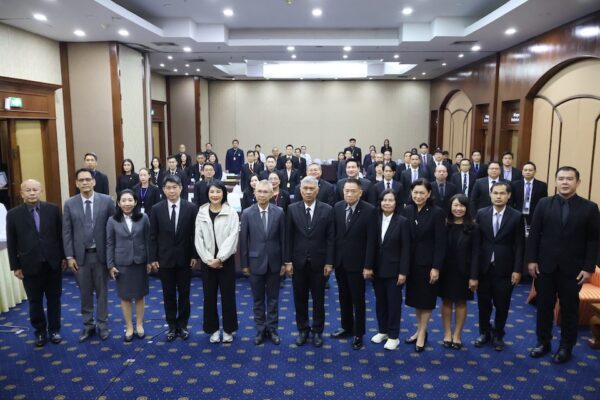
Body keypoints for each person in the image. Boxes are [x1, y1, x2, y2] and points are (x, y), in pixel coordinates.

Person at [527, 166, 600, 363]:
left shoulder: (590, 208)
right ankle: (543, 342)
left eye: (569, 179)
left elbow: (594, 241)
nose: (565, 182)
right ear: (555, 181)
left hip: (574, 270)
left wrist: (589, 268)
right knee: (544, 306)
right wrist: (531, 260)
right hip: (545, 266)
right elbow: (534, 234)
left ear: (578, 182)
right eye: (561, 178)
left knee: (569, 309)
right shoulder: (544, 204)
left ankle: (566, 346)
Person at [6, 179, 65, 347]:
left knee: (54, 299)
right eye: (28, 190)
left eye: (35, 189)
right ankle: (39, 332)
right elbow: (12, 242)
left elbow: (60, 235)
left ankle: (54, 330)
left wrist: (63, 257)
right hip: (29, 265)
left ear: (41, 191)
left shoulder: (53, 209)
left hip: (53, 263)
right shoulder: (13, 214)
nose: (32, 193)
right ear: (21, 193)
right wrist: (15, 266)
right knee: (35, 301)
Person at [63, 168, 115, 342]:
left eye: (88, 179)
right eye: (81, 180)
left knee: (102, 293)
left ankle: (103, 326)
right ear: (76, 183)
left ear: (94, 181)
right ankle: (88, 326)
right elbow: (67, 232)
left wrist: (112, 257)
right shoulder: (70, 204)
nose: (85, 182)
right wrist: (69, 256)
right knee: (85, 294)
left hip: (101, 256)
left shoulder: (107, 201)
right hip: (80, 258)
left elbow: (113, 229)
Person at [473, 182, 524, 351]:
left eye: (502, 193)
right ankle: (484, 332)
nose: (498, 196)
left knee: (502, 304)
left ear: (508, 196)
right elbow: (476, 244)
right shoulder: (481, 213)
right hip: (484, 268)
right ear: (490, 194)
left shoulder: (516, 216)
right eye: (495, 193)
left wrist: (517, 269)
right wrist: (474, 271)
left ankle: (498, 334)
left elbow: (520, 245)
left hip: (505, 268)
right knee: (483, 303)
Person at [285, 176, 334, 348]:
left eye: (311, 189)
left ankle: (318, 331)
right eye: (305, 188)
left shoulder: (327, 209)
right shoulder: (292, 209)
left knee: (319, 300)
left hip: (319, 263)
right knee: (300, 299)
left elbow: (330, 238)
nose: (308, 192)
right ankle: (303, 330)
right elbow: (288, 237)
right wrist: (288, 261)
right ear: (300, 190)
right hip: (298, 263)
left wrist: (329, 262)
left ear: (317, 190)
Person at [149, 175, 199, 342]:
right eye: (168, 188)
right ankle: (171, 325)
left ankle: (183, 325)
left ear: (181, 188)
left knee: (184, 294)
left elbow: (195, 234)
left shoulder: (191, 208)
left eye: (175, 187)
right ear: (163, 190)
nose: (172, 191)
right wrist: (153, 257)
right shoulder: (156, 209)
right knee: (168, 294)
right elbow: (153, 236)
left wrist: (194, 255)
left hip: (185, 258)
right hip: (164, 259)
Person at [330, 178, 377, 350]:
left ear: (360, 193)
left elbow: (372, 241)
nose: (349, 194)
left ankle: (359, 333)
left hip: (359, 264)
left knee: (358, 300)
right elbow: (334, 236)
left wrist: (368, 266)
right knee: (343, 297)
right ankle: (346, 327)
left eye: (352, 191)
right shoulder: (337, 207)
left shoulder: (370, 210)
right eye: (346, 191)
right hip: (340, 262)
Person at [401, 179, 446, 352]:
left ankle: (422, 333)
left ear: (429, 194)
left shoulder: (437, 212)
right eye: (415, 192)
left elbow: (440, 243)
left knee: (426, 301)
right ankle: (420, 330)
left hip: (428, 264)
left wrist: (436, 267)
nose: (418, 196)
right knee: (416, 300)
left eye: (422, 193)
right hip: (411, 263)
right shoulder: (407, 210)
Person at [240, 180, 286, 345]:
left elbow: (283, 239)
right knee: (258, 300)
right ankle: (260, 329)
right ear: (254, 192)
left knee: (273, 299)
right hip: (254, 263)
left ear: (272, 194)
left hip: (275, 263)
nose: (262, 195)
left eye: (265, 192)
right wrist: (244, 264)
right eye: (259, 191)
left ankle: (272, 329)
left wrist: (284, 263)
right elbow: (243, 241)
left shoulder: (279, 212)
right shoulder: (247, 213)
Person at [195, 181, 240, 344]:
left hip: (225, 261)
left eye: (218, 192)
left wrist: (220, 258)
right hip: (208, 262)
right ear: (207, 194)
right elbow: (198, 238)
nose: (215, 195)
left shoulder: (231, 212)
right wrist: (209, 260)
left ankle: (228, 330)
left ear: (223, 194)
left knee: (228, 296)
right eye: (212, 192)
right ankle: (212, 329)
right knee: (209, 296)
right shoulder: (201, 212)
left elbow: (233, 237)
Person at [106, 189, 151, 342]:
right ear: (118, 203)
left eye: (130, 200)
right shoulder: (112, 220)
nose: (127, 203)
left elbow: (148, 240)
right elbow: (109, 243)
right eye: (123, 200)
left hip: (140, 262)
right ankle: (129, 326)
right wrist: (110, 264)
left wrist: (150, 260)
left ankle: (139, 324)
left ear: (135, 202)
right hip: (122, 263)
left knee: (139, 295)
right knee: (125, 297)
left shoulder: (143, 218)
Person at [371, 190, 410, 351]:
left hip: (395, 271)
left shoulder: (402, 221)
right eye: (384, 200)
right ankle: (383, 331)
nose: (387, 203)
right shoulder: (374, 219)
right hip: (377, 269)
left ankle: (394, 336)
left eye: (390, 200)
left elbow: (406, 249)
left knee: (393, 303)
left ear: (396, 203)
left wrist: (403, 272)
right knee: (380, 302)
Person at [439, 194, 479, 350]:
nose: (458, 209)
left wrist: (473, 276)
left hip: (464, 272)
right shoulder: (444, 224)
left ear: (467, 208)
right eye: (455, 205)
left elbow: (476, 253)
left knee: (461, 302)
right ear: (450, 207)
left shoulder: (473, 227)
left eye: (462, 206)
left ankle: (457, 335)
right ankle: (447, 333)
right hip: (445, 270)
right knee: (446, 301)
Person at [510, 161, 548, 226]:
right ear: (522, 172)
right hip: (517, 214)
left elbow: (544, 203)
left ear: (535, 172)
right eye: (525, 170)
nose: (527, 172)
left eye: (530, 170)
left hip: (535, 215)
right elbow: (511, 201)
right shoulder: (514, 184)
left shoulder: (542, 185)